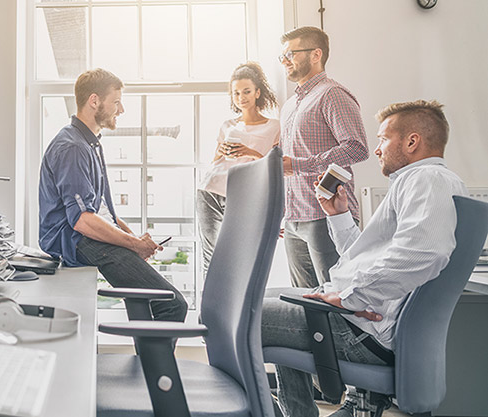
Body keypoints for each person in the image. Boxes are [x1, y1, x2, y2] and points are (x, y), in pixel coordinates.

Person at [263, 100, 467, 417]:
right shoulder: (416, 183)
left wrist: (350, 297)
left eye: (383, 139)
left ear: (412, 141)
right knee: (267, 297)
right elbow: (365, 259)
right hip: (356, 320)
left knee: (241, 314)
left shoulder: (428, 180)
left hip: (357, 330)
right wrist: (338, 214)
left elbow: (424, 252)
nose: (376, 150)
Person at [38, 68, 188, 322]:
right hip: (75, 241)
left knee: (149, 300)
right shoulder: (73, 148)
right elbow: (82, 220)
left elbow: (101, 211)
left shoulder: (90, 144)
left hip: (86, 237)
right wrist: (134, 245)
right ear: (94, 101)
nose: (121, 110)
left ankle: (146, 362)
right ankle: (153, 364)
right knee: (173, 305)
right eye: (116, 102)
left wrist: (133, 238)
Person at [278, 26, 369, 289]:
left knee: (338, 298)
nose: (284, 60)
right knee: (304, 301)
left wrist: (298, 166)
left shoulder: (333, 94)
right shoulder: (289, 106)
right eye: (282, 56)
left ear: (315, 54)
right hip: (294, 220)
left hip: (327, 216)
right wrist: (283, 214)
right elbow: (286, 166)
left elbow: (357, 148)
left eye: (290, 54)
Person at [197, 62, 279, 275]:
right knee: (212, 259)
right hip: (211, 190)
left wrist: (248, 150)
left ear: (257, 92)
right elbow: (216, 160)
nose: (241, 97)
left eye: (246, 92)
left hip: (245, 195)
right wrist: (223, 150)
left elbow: (275, 165)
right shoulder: (227, 125)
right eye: (236, 93)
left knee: (243, 257)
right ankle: (211, 309)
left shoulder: (274, 126)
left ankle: (239, 307)